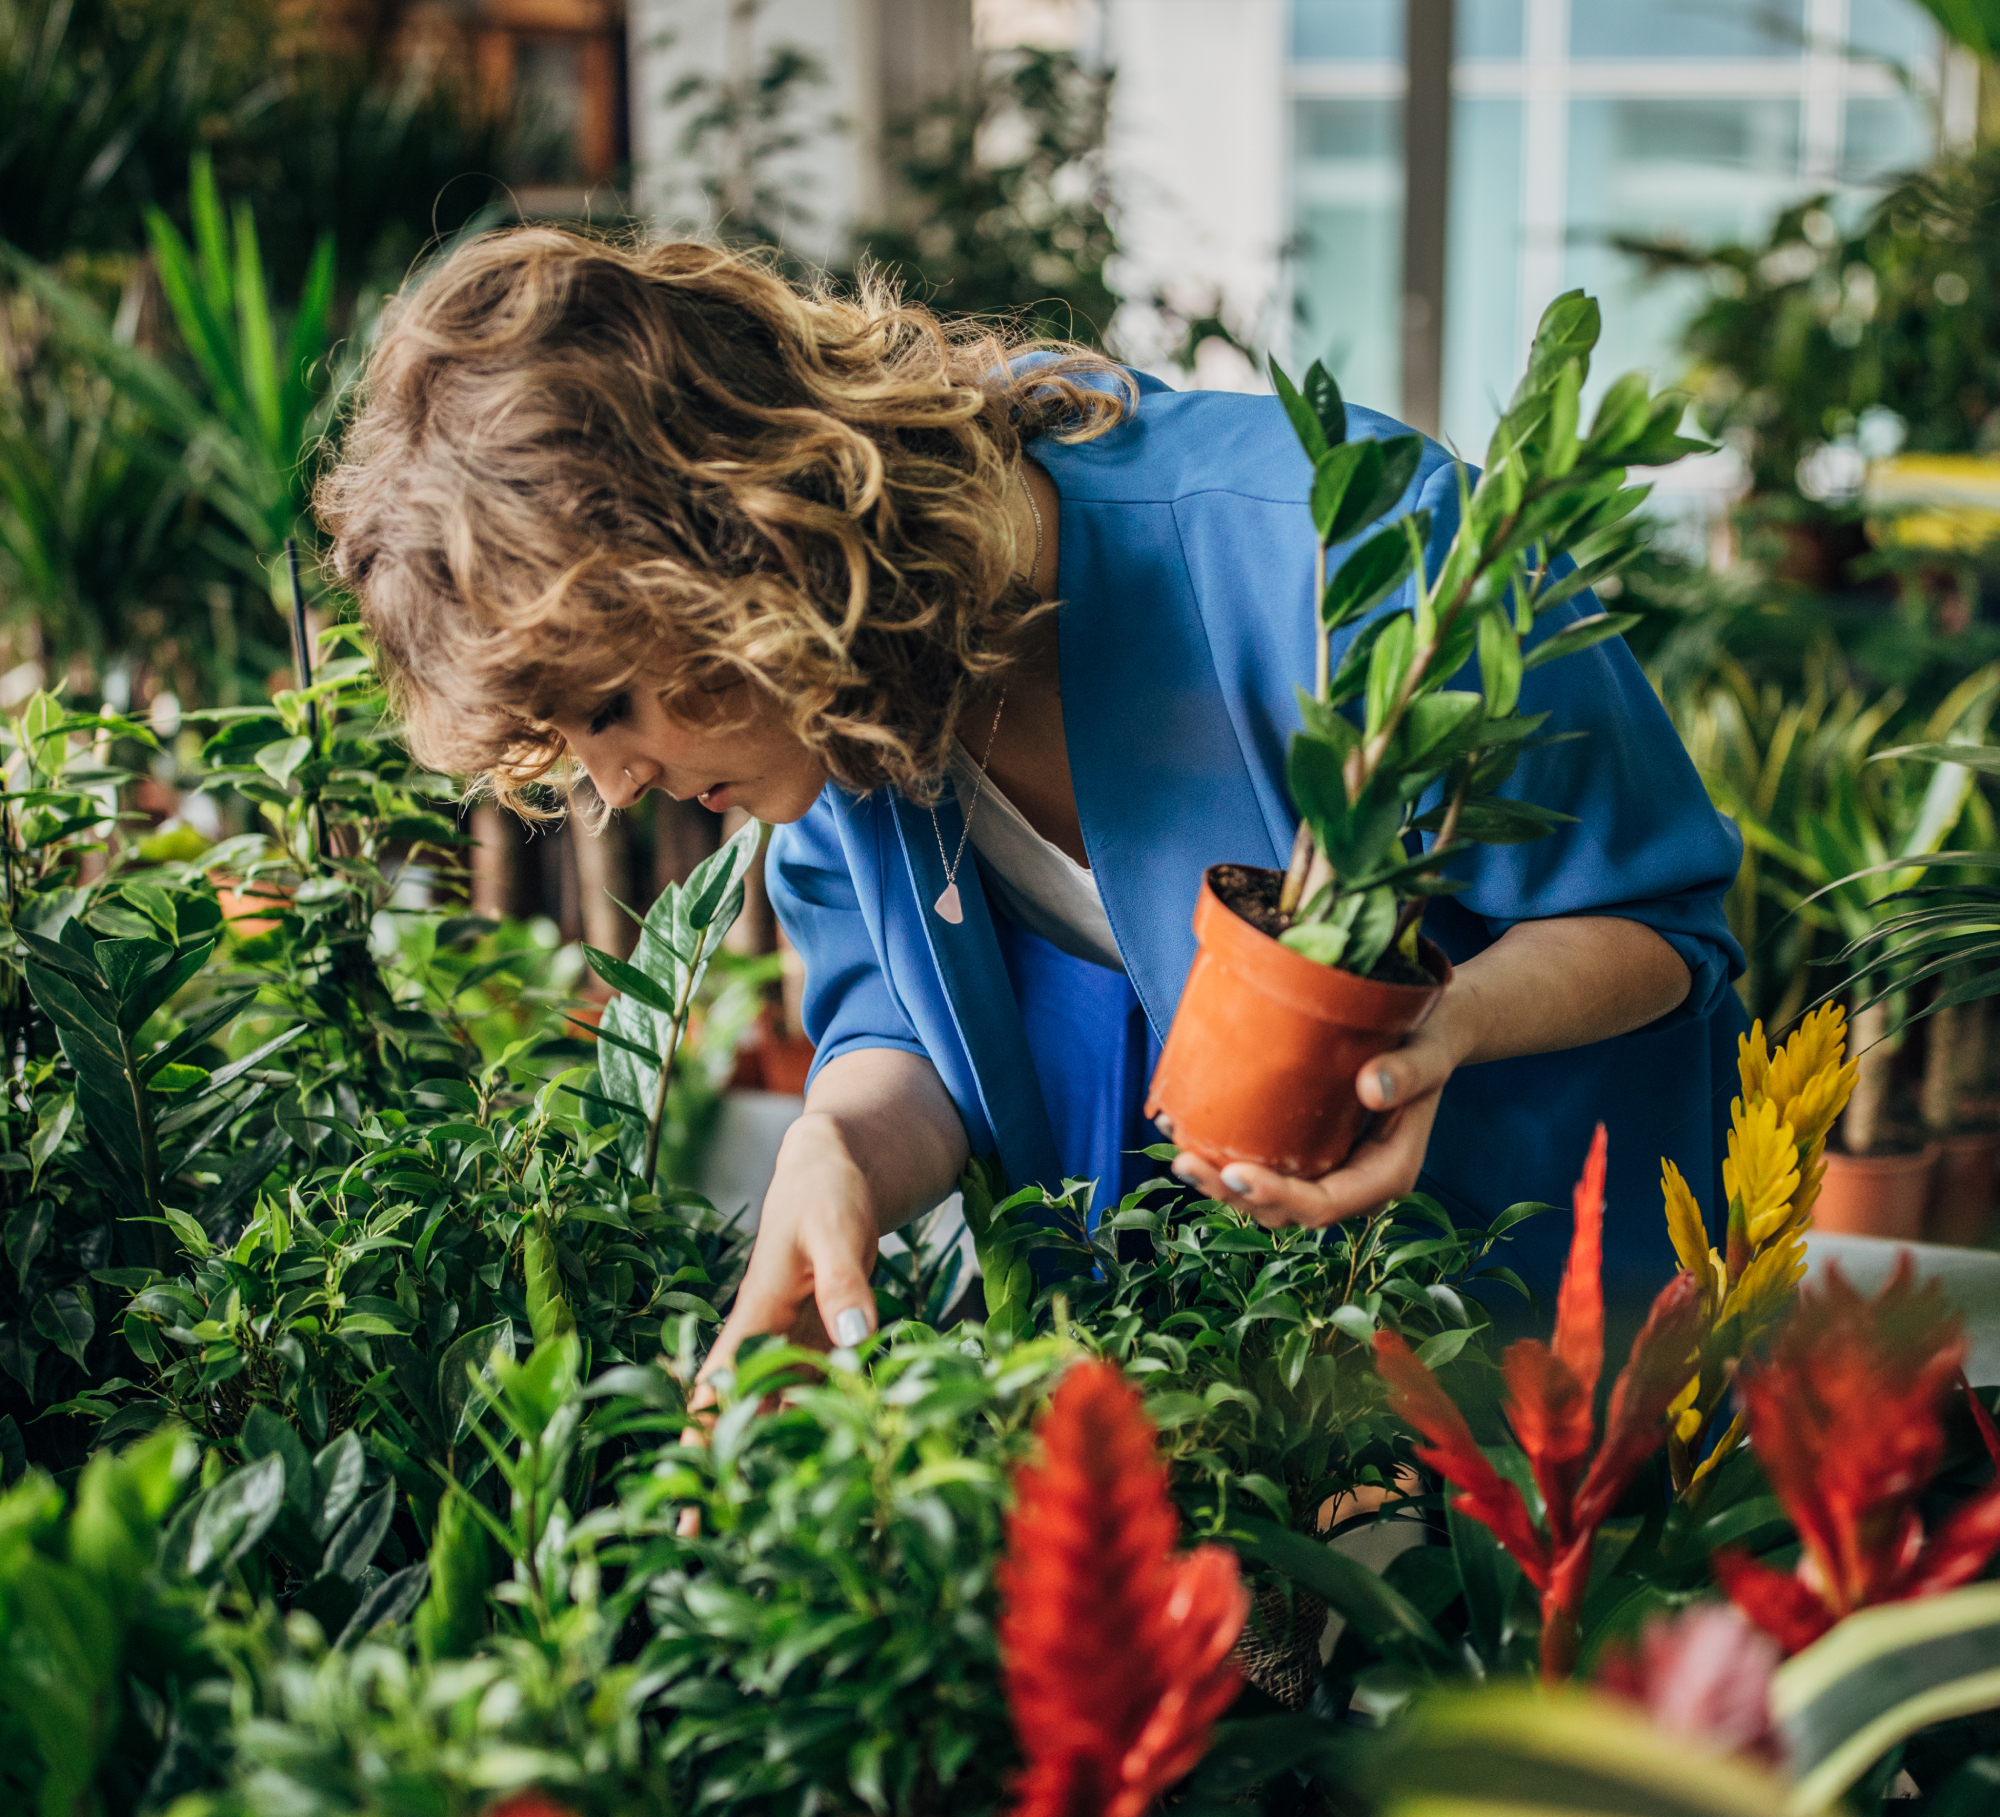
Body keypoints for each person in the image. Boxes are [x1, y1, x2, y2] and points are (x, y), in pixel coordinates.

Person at [320, 228, 1746, 1384]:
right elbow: (901, 1029)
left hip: (1515, 1392)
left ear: (745, 554)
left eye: (614, 707)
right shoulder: (823, 702)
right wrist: (837, 1157)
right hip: (1194, 1431)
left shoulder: (1336, 545)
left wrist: (1451, 1028)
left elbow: (1654, 922)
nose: (616, 785)